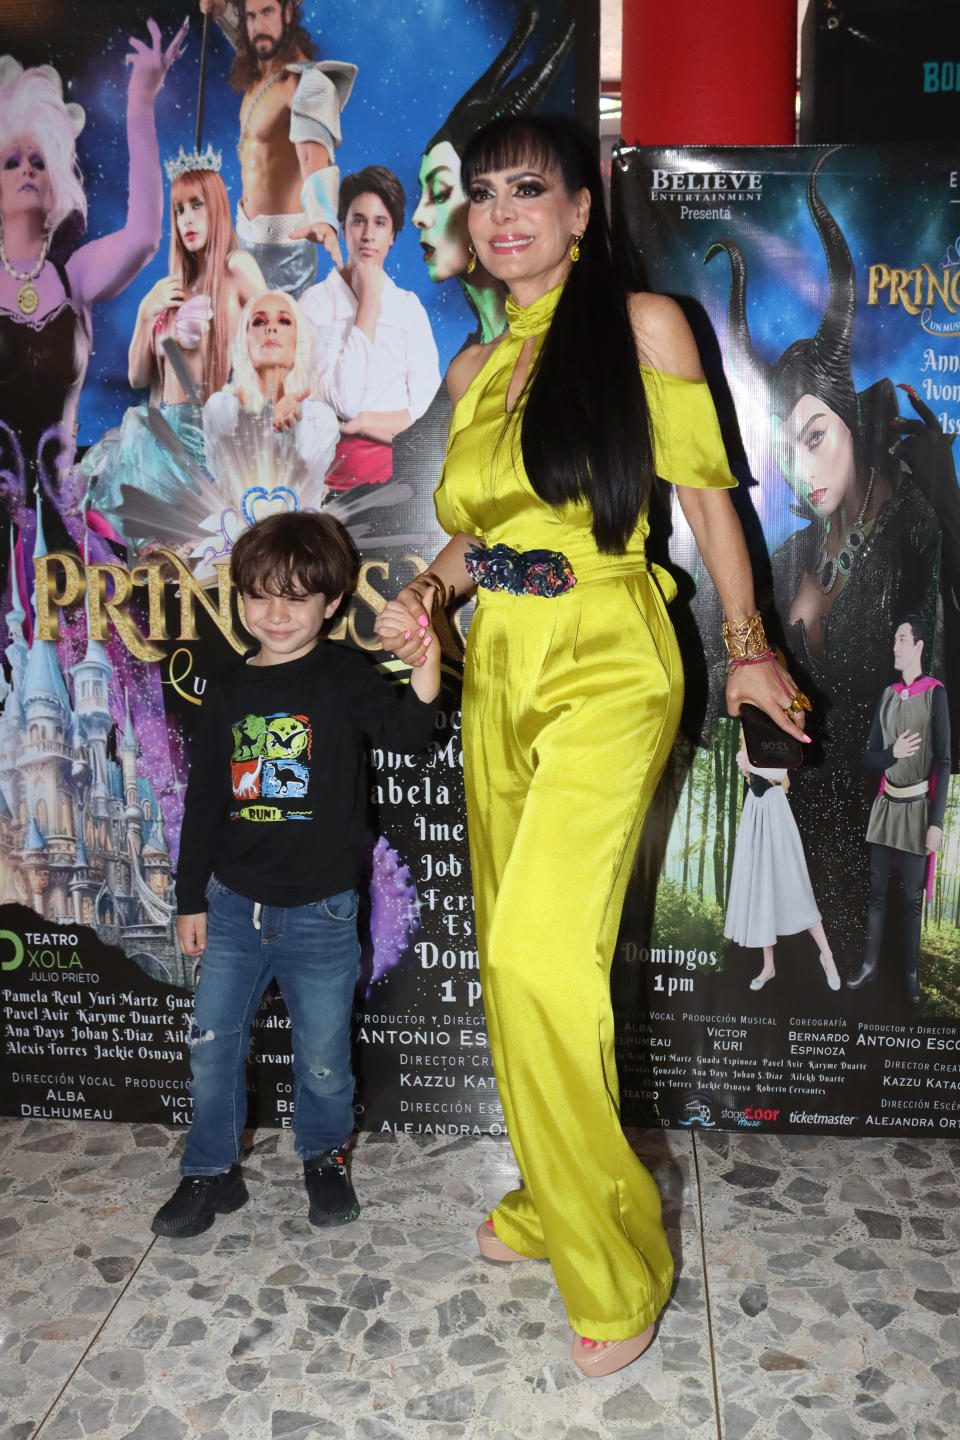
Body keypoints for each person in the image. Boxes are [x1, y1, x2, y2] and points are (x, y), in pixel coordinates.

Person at [375, 113, 809, 1378]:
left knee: (534, 955)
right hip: (498, 664)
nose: (503, 213)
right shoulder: (471, 371)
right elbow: (480, 530)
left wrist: (745, 642)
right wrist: (433, 597)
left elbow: (705, 499)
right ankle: (543, 1196)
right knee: (523, 947)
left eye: (533, 190)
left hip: (612, 654)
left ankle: (614, 1259)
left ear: (579, 210)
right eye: (484, 196)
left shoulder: (643, 327)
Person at [151, 511, 441, 1238]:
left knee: (322, 1061)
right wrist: (190, 901)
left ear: (332, 603)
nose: (275, 614)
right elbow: (206, 803)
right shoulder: (225, 689)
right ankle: (209, 1173)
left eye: (296, 597)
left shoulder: (344, 673)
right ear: (240, 597)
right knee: (213, 1048)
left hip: (322, 915)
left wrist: (427, 659)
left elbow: (409, 735)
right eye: (259, 595)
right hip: (232, 908)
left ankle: (324, 1159)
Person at [706, 148, 946, 962]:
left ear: (851, 426)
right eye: (787, 448)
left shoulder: (916, 526)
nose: (803, 472)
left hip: (888, 820)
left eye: (817, 439)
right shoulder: (784, 553)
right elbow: (726, 669)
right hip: (799, 826)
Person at [0, 24, 185, 531]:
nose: (26, 171)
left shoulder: (72, 275)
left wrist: (141, 102)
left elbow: (146, 234)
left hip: (58, 520)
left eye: (38, 160)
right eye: (11, 161)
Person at [81, 152, 265, 525]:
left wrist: (245, 401)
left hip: (206, 438)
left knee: (200, 556)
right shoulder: (172, 290)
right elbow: (138, 378)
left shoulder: (236, 267)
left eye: (198, 205)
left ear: (217, 208)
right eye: (180, 210)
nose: (188, 219)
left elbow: (276, 334)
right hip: (159, 438)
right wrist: (146, 311)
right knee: (155, 562)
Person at [106, 290, 339, 575]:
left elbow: (299, 496)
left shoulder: (320, 418)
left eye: (284, 321)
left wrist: (284, 426)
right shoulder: (222, 408)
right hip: (234, 552)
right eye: (259, 321)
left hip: (299, 555)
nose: (271, 327)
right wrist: (270, 419)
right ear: (244, 340)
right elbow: (240, 487)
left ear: (299, 339)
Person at [197, 0, 356, 296]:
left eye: (268, 12)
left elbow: (312, 155)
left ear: (288, 12)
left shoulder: (306, 83)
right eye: (251, 16)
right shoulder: (261, 70)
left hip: (285, 255)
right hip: (243, 239)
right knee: (234, 338)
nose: (259, 26)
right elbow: (253, 39)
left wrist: (323, 217)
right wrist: (221, 10)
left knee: (280, 339)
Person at [300, 166, 440, 491]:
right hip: (325, 483)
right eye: (358, 220)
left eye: (380, 223)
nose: (367, 235)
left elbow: (426, 414)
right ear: (343, 226)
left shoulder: (408, 309)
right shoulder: (314, 304)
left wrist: (362, 423)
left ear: (393, 235)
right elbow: (339, 401)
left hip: (398, 483)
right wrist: (368, 305)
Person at [847, 615, 950, 1003]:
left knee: (909, 900)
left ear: (919, 646)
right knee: (876, 894)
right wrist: (893, 754)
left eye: (902, 639)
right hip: (885, 807)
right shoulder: (888, 696)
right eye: (895, 639)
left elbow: (943, 761)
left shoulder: (935, 693)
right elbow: (868, 759)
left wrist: (937, 822)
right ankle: (869, 969)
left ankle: (910, 976)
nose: (895, 646)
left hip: (916, 812)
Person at [724, 747, 839, 993]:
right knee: (761, 886)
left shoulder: (785, 719)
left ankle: (828, 958)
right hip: (754, 808)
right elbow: (750, 769)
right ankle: (768, 967)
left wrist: (750, 763)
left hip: (776, 811)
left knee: (797, 888)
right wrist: (743, 763)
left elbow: (780, 769)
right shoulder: (752, 721)